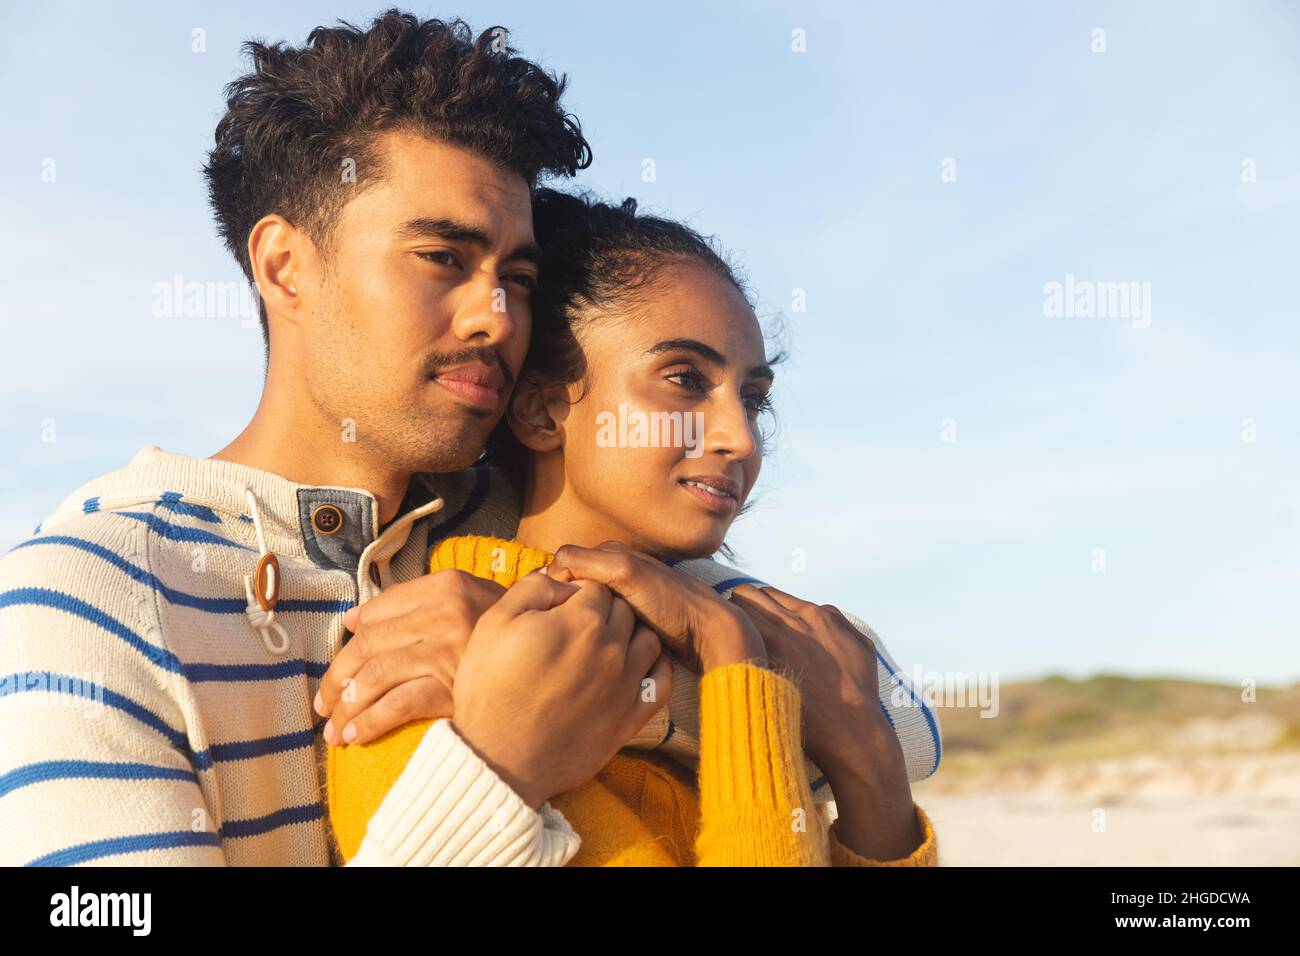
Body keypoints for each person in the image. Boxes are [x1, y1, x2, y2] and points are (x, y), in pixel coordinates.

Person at [0, 12, 939, 867]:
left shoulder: (529, 522)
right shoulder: (93, 597)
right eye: (443, 258)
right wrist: (498, 755)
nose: (496, 317)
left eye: (518, 276)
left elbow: (887, 719)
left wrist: (592, 679)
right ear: (286, 266)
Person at [325, 190, 940, 865]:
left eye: (754, 399)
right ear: (542, 412)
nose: (740, 438)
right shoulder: (417, 670)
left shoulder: (748, 641)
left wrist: (871, 768)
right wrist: (733, 660)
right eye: (683, 379)